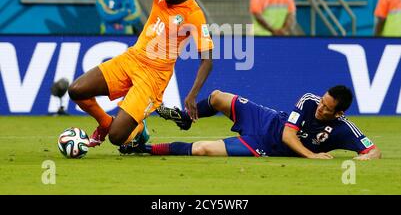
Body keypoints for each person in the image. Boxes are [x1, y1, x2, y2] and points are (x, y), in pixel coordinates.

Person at [68, 0, 214, 149]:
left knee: (118, 138)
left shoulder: (194, 15)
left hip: (154, 76)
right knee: (77, 90)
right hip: (132, 58)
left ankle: (138, 128)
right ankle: (105, 122)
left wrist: (192, 93)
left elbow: (207, 59)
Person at [122, 86, 382, 161]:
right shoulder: (309, 100)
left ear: (339, 113)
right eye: (323, 101)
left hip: (262, 146)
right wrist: (311, 156)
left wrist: (364, 159)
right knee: (216, 97)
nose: (321, 107)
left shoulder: (343, 129)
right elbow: (289, 137)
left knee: (202, 149)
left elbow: (373, 150)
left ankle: (143, 149)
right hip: (265, 120)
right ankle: (186, 119)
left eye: (327, 108)